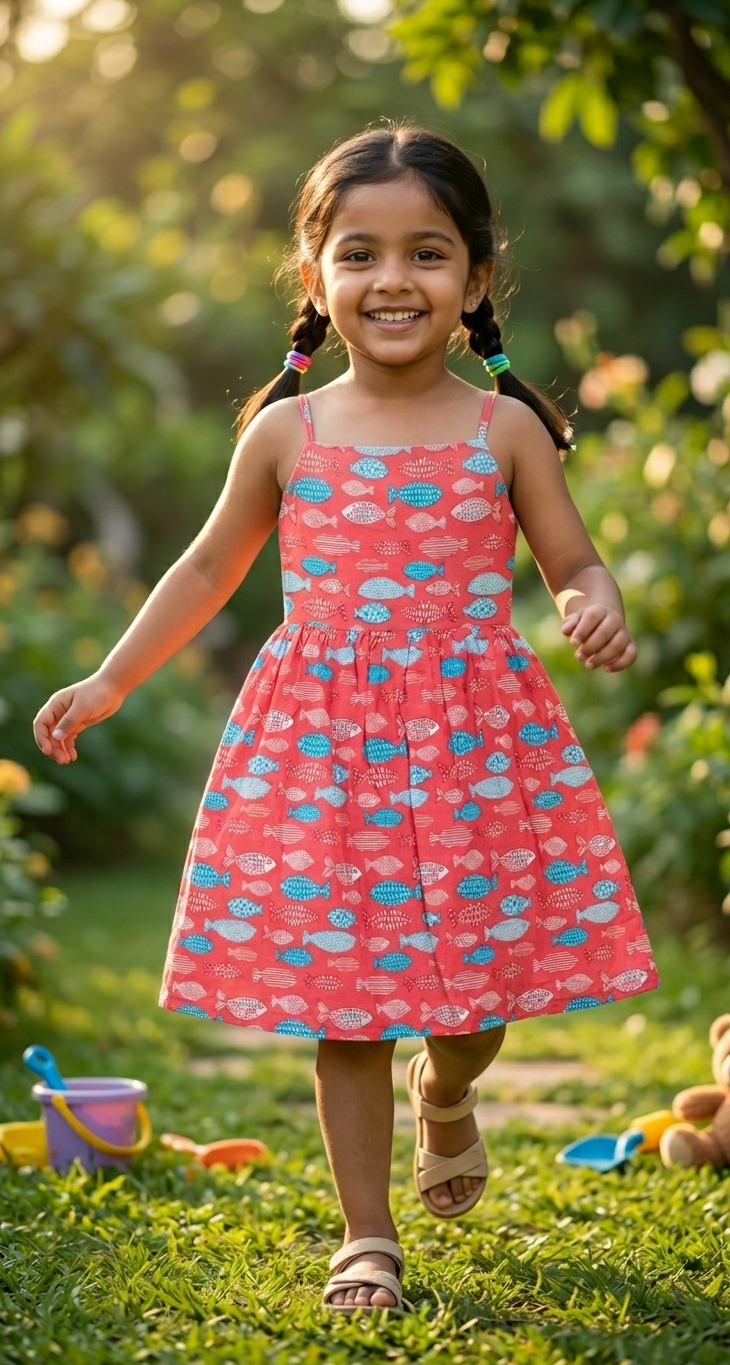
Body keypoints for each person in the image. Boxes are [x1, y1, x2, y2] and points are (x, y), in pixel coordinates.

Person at [34, 125, 658, 1314]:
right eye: (359, 253)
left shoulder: (505, 429)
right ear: (315, 275)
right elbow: (209, 568)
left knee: (473, 1008)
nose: (392, 281)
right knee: (351, 1003)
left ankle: (453, 1091)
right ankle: (367, 1235)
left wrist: (593, 604)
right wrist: (113, 679)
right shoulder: (287, 431)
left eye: (428, 254)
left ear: (475, 280)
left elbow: (574, 559)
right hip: (329, 758)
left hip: (476, 752)